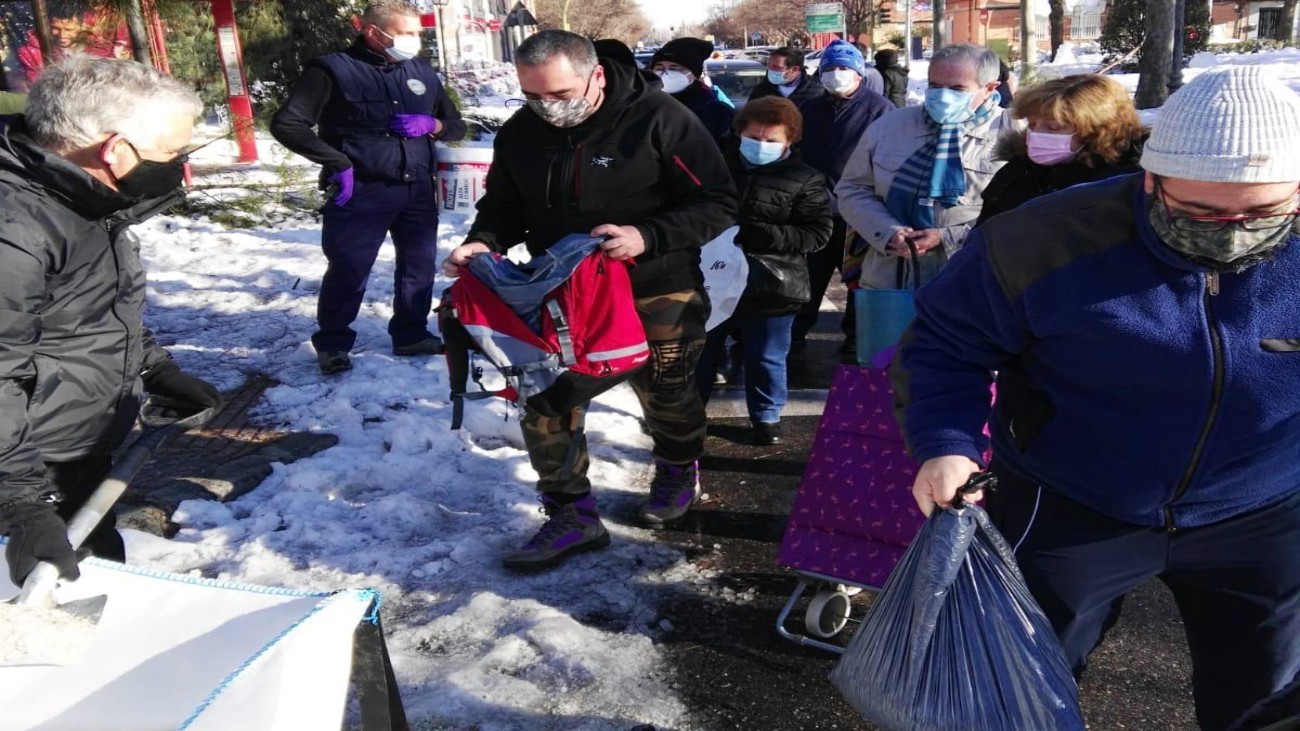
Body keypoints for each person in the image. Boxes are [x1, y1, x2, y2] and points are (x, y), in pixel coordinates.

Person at [893, 66, 1300, 731]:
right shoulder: (1043, 238)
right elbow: (945, 342)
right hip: (1072, 497)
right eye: (1199, 212)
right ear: (1151, 178)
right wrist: (945, 442)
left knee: (1265, 695)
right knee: (1014, 683)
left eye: (1260, 213)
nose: (1229, 231)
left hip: (1262, 506)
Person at [441, 31, 737, 571]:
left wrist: (647, 234)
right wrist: (484, 241)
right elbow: (503, 206)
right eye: (534, 97)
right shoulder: (521, 133)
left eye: (560, 94)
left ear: (595, 75)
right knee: (544, 399)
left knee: (667, 392)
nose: (549, 109)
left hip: (655, 284)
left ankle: (676, 464)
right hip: (559, 292)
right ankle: (571, 513)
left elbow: (718, 200)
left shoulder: (660, 119)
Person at [0, 57, 220, 586]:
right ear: (114, 149)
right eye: (172, 154)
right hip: (25, 471)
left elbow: (89, 308)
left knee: (99, 586)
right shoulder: (16, 229)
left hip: (71, 454)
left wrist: (155, 370)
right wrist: (23, 505)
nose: (179, 167)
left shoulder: (82, 201)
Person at [270, 0, 466, 375]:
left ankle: (411, 333)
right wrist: (335, 161)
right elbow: (288, 124)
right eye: (405, 32)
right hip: (360, 190)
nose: (413, 40)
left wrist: (433, 125)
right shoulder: (332, 70)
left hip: (417, 190)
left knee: (418, 267)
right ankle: (333, 343)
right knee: (349, 267)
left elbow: (455, 124)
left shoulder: (422, 71)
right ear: (373, 31)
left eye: (416, 33)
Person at [695, 97, 831, 445]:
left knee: (766, 355)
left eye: (772, 141)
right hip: (712, 277)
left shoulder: (807, 178)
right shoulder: (713, 167)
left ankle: (766, 415)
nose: (761, 146)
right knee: (701, 351)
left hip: (773, 282)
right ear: (740, 132)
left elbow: (817, 234)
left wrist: (764, 234)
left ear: (790, 141)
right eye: (754, 137)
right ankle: (690, 414)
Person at [835, 44, 1011, 304]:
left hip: (972, 282)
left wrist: (947, 237)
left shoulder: (1014, 134)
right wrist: (886, 231)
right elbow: (852, 188)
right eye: (935, 85)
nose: (942, 95)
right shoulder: (889, 126)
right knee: (890, 347)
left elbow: (1024, 212)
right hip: (891, 279)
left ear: (990, 88)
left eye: (956, 89)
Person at [793, 40, 893, 355]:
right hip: (814, 212)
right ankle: (795, 336)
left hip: (858, 216)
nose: (837, 74)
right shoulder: (808, 108)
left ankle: (856, 341)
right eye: (830, 68)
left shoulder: (880, 109)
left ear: (859, 74)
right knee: (807, 281)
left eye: (844, 68)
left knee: (859, 282)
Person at [977, 74, 1145, 225]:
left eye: (1054, 127)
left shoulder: (1128, 185)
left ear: (1096, 130)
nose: (1037, 135)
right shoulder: (1017, 171)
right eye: (1033, 125)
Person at [650, 37, 734, 145]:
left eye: (674, 68)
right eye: (659, 68)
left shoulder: (718, 112)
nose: (665, 73)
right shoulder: (643, 107)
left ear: (694, 74)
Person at [749, 47, 822, 107]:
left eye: (776, 67)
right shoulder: (761, 90)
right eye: (769, 65)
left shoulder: (817, 90)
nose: (770, 70)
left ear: (794, 69)